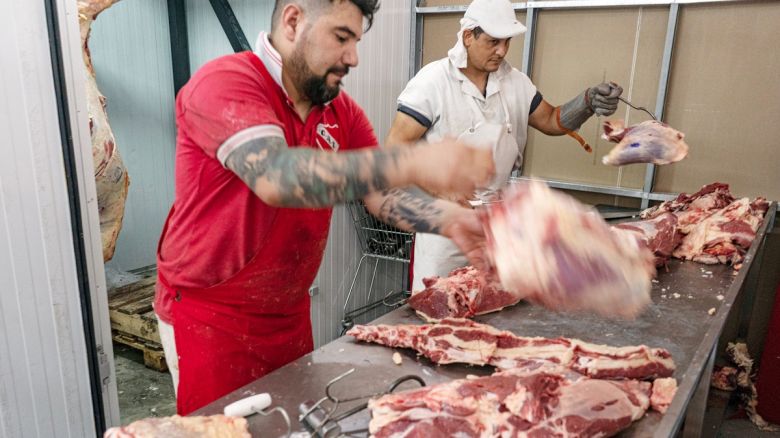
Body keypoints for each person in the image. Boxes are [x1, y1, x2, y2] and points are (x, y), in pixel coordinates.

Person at [153, 0, 495, 414]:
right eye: (341, 38)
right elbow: (278, 176)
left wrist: (453, 221)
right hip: (211, 316)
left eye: (356, 41)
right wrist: (413, 160)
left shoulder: (338, 111)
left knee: (292, 422)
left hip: (287, 312)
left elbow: (380, 195)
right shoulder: (227, 82)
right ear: (293, 21)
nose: (353, 57)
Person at [386, 0, 624, 290]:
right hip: (445, 231)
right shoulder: (433, 82)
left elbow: (550, 119)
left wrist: (587, 102)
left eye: (506, 42)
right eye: (493, 42)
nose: (501, 51)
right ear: (468, 37)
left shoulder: (516, 83)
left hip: (496, 227)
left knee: (489, 312)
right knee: (440, 310)